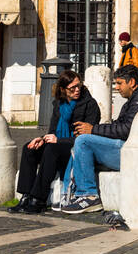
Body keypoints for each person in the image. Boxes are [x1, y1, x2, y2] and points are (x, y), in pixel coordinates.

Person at [58, 65, 138, 215]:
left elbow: (126, 130)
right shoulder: (135, 98)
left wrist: (93, 129)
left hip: (133, 153)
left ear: (131, 82)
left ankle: (88, 195)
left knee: (83, 141)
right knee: (83, 141)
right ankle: (70, 193)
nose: (117, 87)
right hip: (131, 148)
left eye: (119, 83)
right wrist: (97, 132)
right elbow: (120, 126)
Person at [10, 70, 100, 214]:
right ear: (63, 90)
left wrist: (59, 140)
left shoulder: (90, 104)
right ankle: (25, 196)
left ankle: (38, 199)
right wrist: (41, 139)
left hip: (76, 147)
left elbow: (87, 137)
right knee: (29, 148)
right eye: (72, 88)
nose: (77, 90)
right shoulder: (59, 104)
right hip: (59, 143)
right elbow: (52, 131)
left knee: (52, 149)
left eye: (79, 86)